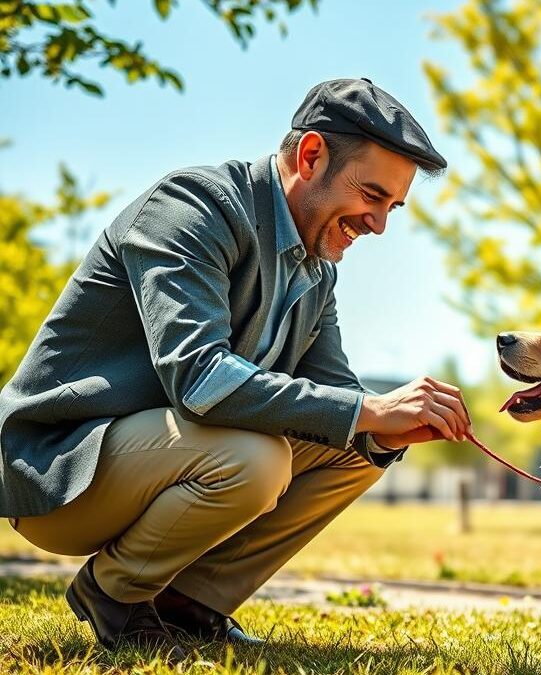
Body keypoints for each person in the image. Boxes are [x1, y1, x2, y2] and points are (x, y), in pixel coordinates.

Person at [0, 78, 472, 661]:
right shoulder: (192, 207)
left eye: (391, 207)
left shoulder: (316, 270)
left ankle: (188, 602)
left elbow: (337, 395)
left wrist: (388, 427)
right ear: (311, 155)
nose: (378, 224)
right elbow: (200, 380)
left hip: (163, 458)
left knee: (360, 444)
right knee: (262, 457)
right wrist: (368, 409)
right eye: (371, 195)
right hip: (62, 468)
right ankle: (115, 592)